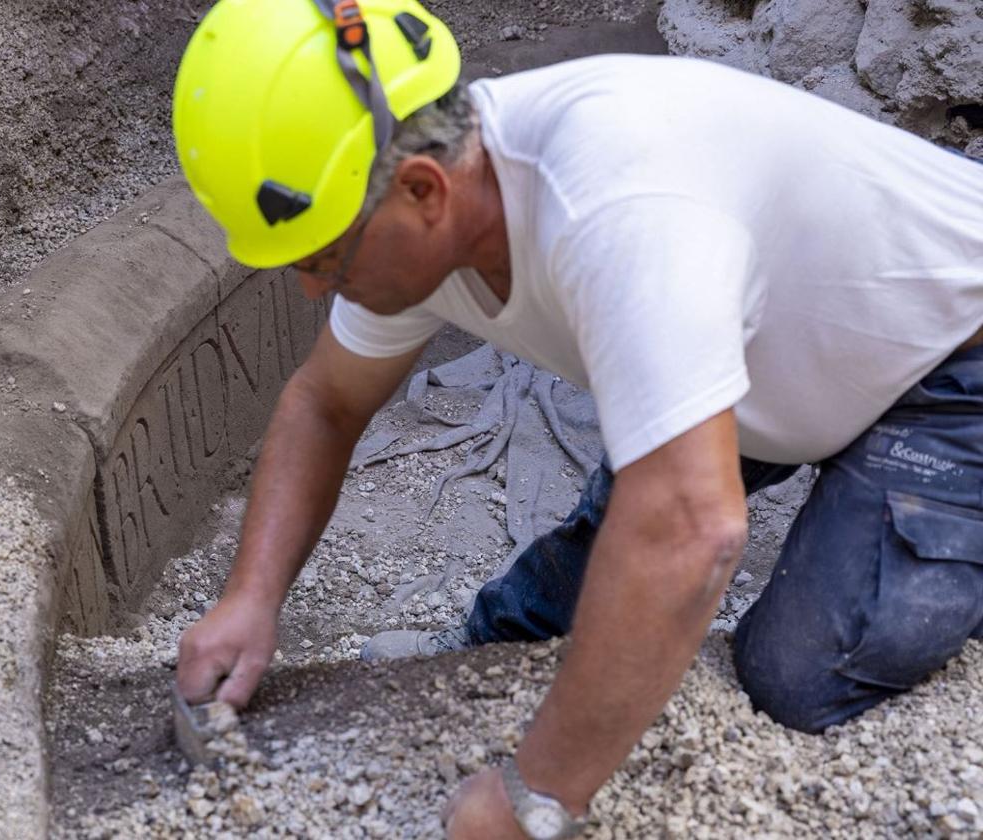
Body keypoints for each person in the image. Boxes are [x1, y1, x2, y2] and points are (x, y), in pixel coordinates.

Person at [170, 0, 983, 836]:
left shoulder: (614, 203)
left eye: (323, 260)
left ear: (422, 190)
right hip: (794, 348)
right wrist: (251, 599)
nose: (314, 288)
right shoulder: (429, 191)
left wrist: (536, 795)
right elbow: (324, 402)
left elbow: (693, 529)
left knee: (797, 676)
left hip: (953, 353)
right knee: (576, 581)